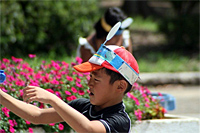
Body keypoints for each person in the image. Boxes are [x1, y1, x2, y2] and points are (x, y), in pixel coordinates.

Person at [0, 44, 139, 132]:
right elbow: (38, 115)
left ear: (120, 86)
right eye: (90, 77)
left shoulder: (120, 121)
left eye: (96, 79)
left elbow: (88, 129)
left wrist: (53, 99)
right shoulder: (83, 106)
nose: (90, 84)